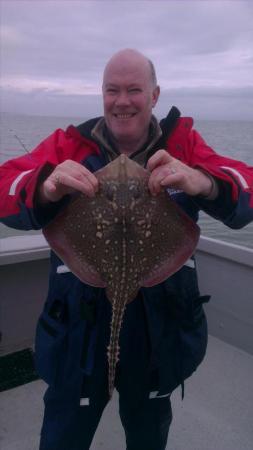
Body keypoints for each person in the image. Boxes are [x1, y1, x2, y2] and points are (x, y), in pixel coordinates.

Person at [0, 48, 253, 450]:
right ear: (101, 94)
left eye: (134, 89)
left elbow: (246, 185)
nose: (122, 100)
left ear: (154, 95)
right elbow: (4, 185)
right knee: (63, 436)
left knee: (148, 436)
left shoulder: (183, 144)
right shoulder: (70, 144)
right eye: (112, 90)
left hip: (160, 337)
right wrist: (46, 185)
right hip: (76, 337)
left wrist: (205, 183)